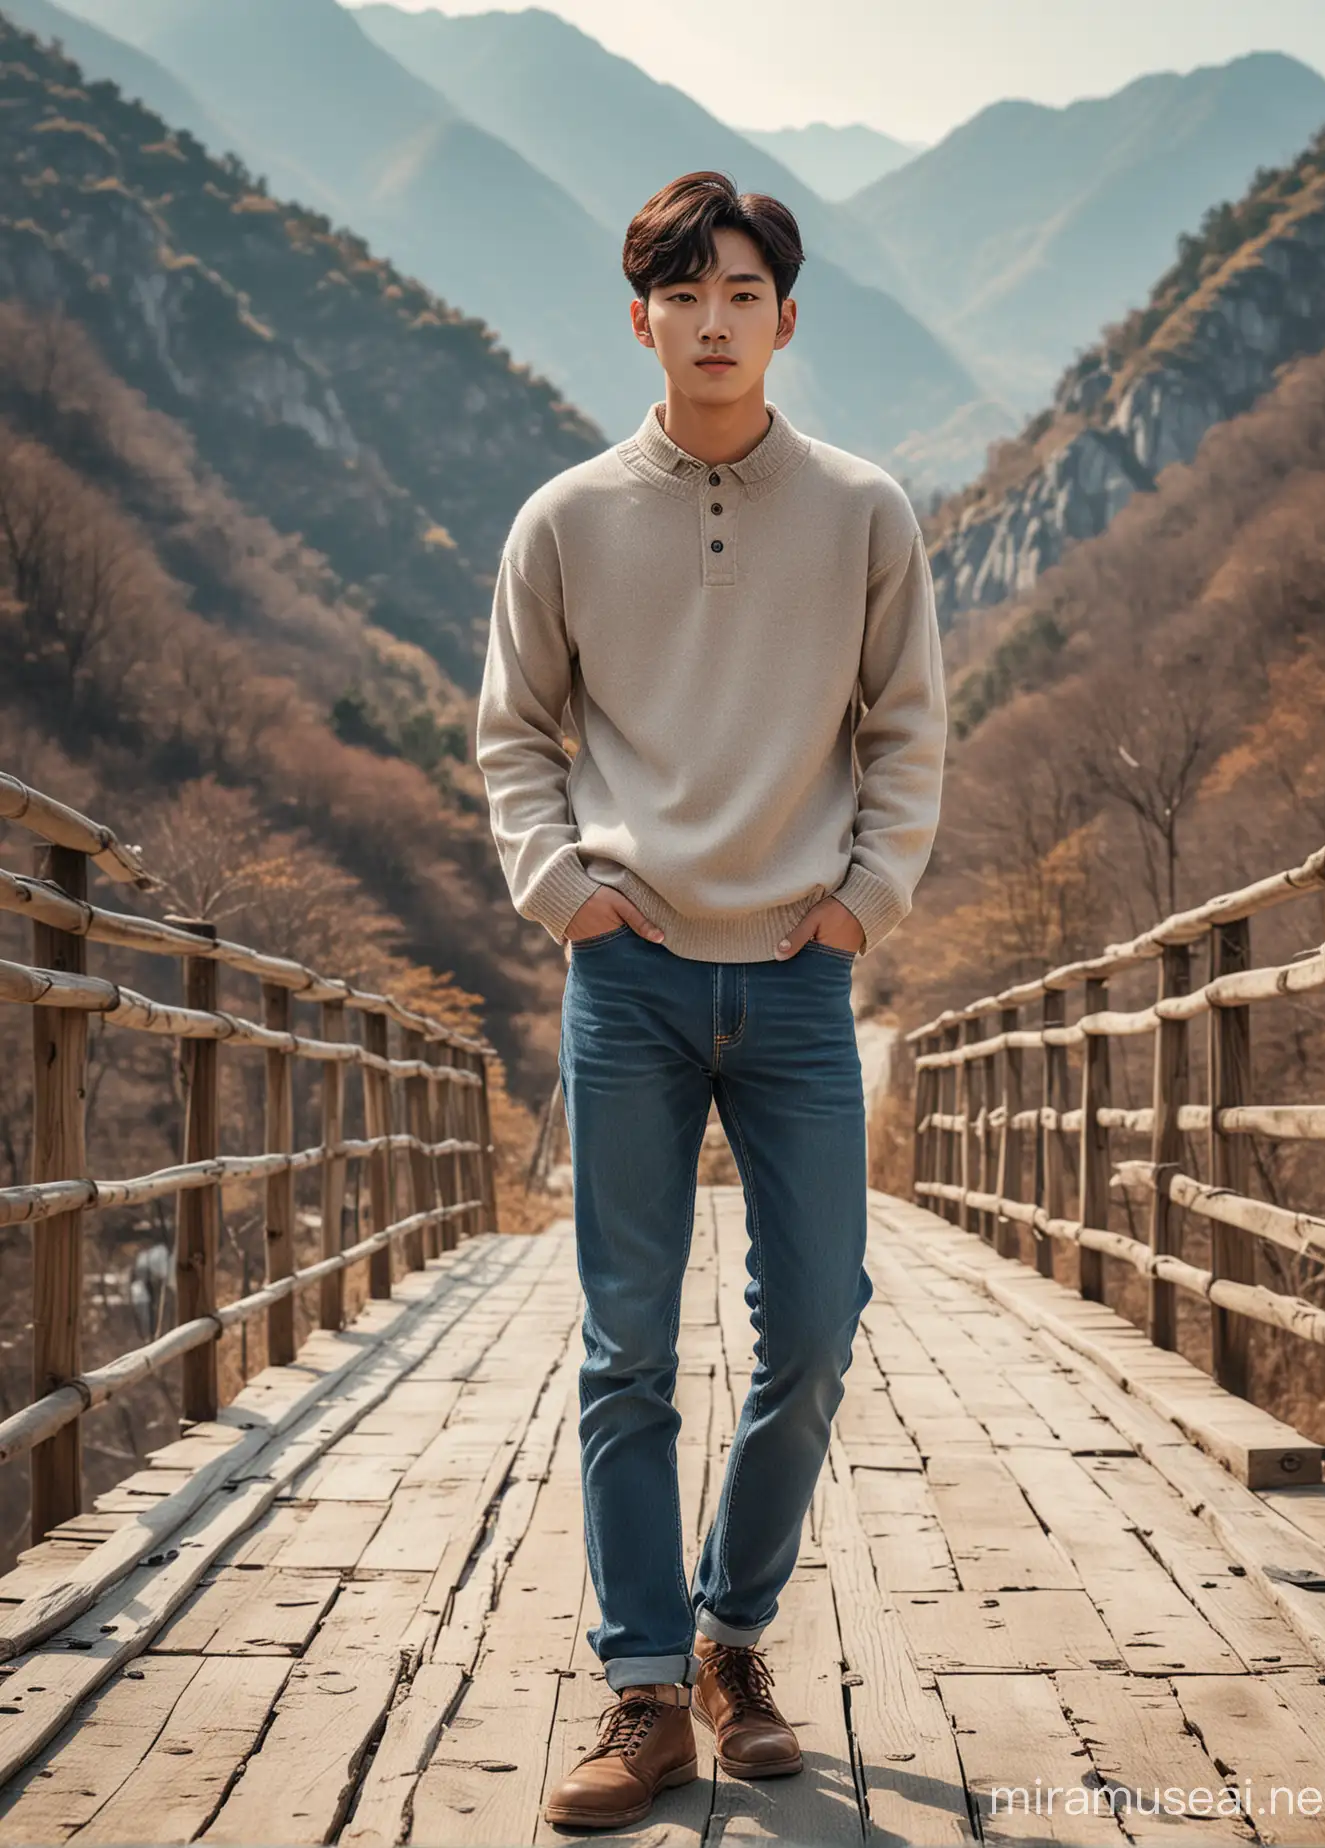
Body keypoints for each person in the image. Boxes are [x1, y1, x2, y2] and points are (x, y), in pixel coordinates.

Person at [476, 169, 947, 1830]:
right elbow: (515, 738)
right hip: (631, 977)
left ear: (785, 320)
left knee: (815, 1329)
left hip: (802, 984)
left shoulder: (866, 511)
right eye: (686, 294)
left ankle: (734, 1634)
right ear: (644, 321)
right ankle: (642, 1689)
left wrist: (865, 902)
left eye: (743, 292)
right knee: (625, 1351)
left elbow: (904, 733)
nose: (716, 320)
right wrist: (568, 898)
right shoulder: (567, 519)